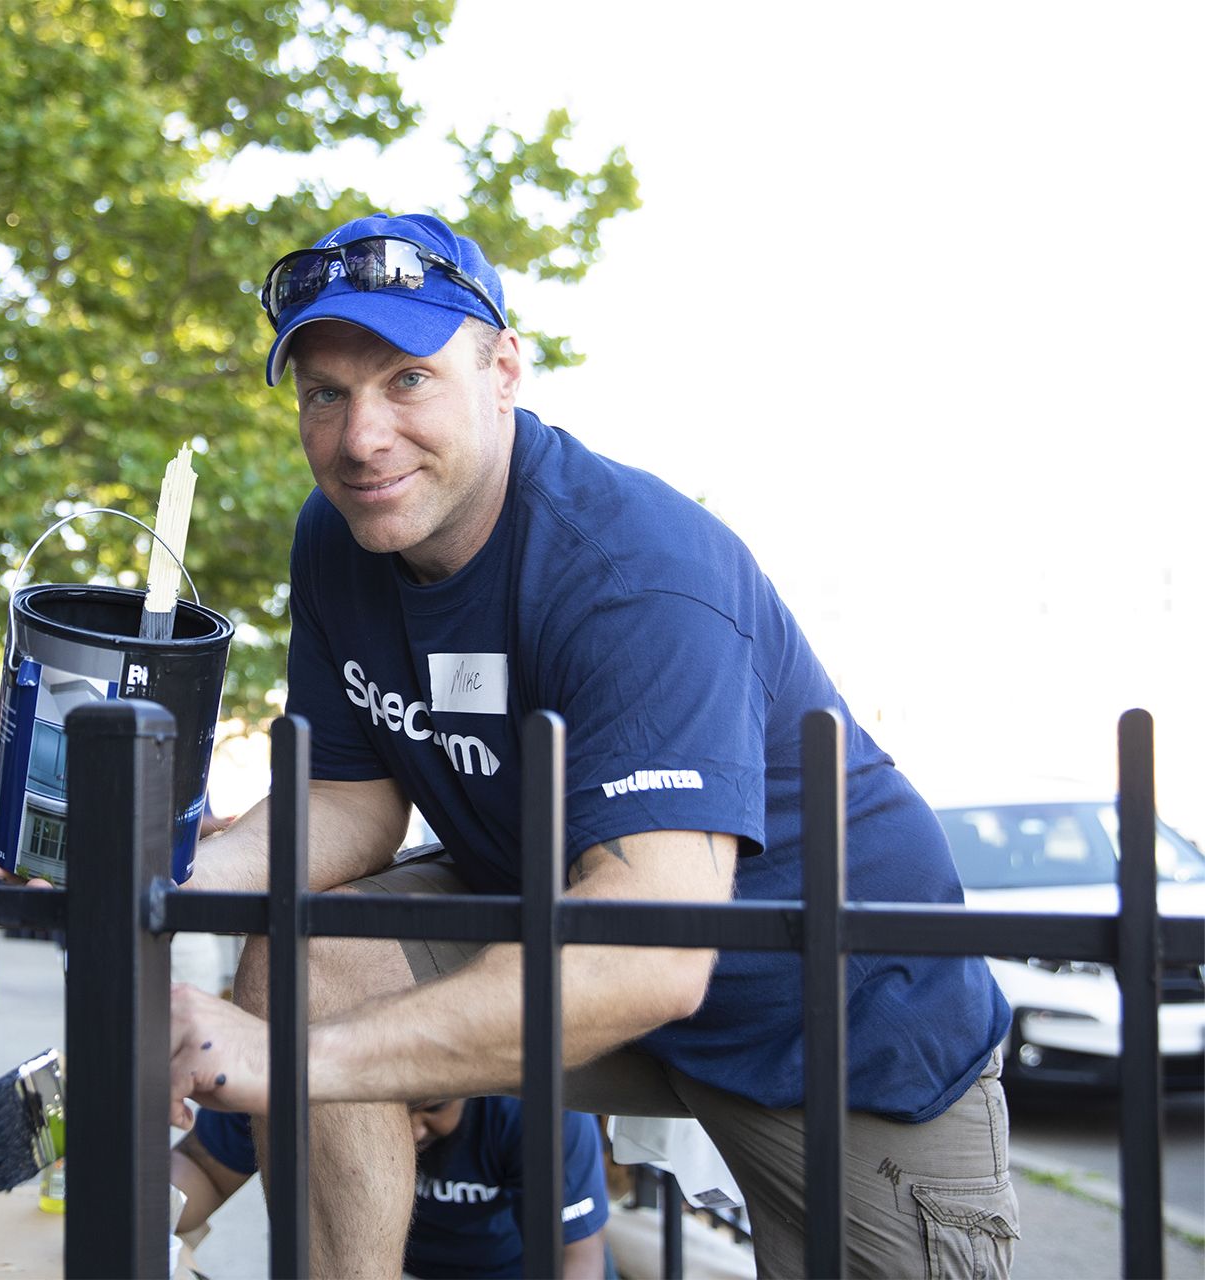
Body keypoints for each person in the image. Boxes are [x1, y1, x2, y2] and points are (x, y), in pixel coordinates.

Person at [166, 212, 1018, 1278]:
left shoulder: (633, 571)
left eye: (407, 380)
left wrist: (289, 1059)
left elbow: (649, 951)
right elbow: (355, 799)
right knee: (313, 952)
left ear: (504, 369)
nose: (360, 436)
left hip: (830, 1031)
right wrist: (163, 864)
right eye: (326, 392)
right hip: (576, 954)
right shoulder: (340, 533)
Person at [172, 1098, 609, 1279]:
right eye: (389, 1109)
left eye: (433, 1107)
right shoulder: (297, 1078)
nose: (411, 1132)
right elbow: (201, 1172)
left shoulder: (532, 1109)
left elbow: (576, 1260)